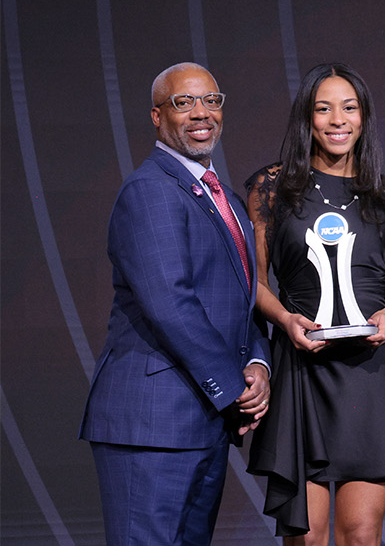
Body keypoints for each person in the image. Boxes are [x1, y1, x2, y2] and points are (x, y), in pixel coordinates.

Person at [80, 62, 271, 546]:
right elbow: (171, 304)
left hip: (203, 421)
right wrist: (233, 389)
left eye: (211, 100)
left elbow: (242, 297)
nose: (200, 113)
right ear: (156, 116)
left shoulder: (222, 195)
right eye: (183, 102)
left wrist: (257, 362)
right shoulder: (150, 191)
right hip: (150, 424)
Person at [245, 63, 385, 546]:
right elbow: (253, 282)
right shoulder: (271, 189)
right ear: (307, 118)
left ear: (364, 118)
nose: (337, 119)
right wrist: (283, 317)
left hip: (372, 373)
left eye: (349, 107)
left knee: (361, 533)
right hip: (302, 370)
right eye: (323, 109)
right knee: (308, 535)